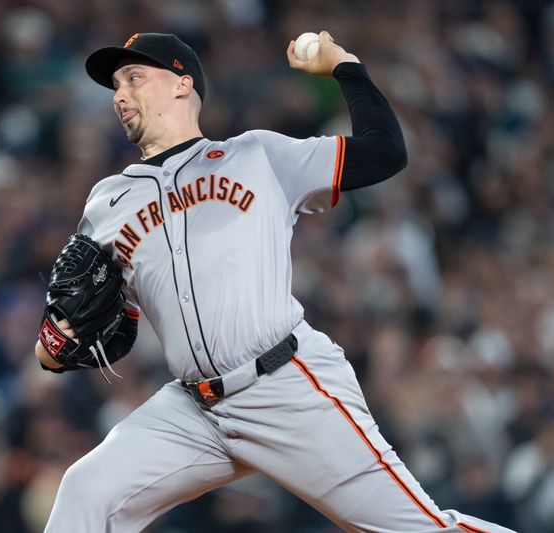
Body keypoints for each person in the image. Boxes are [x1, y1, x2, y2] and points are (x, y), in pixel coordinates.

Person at [35, 31, 515, 533]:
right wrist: (54, 343)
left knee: (418, 529)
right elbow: (67, 332)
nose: (118, 94)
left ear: (181, 84)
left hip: (284, 385)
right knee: (87, 491)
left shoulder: (257, 156)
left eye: (133, 78)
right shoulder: (107, 202)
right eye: (114, 84)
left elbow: (386, 151)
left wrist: (345, 66)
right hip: (193, 409)